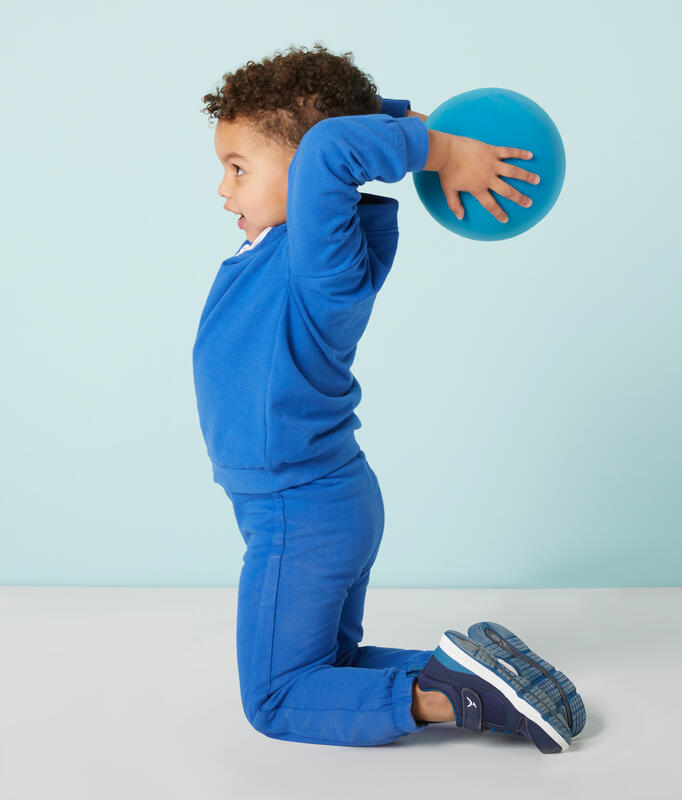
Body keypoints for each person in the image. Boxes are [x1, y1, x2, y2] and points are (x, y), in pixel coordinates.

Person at [193, 42, 584, 750]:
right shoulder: (301, 250)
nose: (224, 189)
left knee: (277, 697)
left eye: (239, 168)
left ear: (305, 171)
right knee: (325, 668)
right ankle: (486, 674)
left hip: (299, 512)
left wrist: (438, 147)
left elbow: (334, 146)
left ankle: (460, 698)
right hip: (316, 504)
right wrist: (412, 126)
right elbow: (332, 139)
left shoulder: (323, 265)